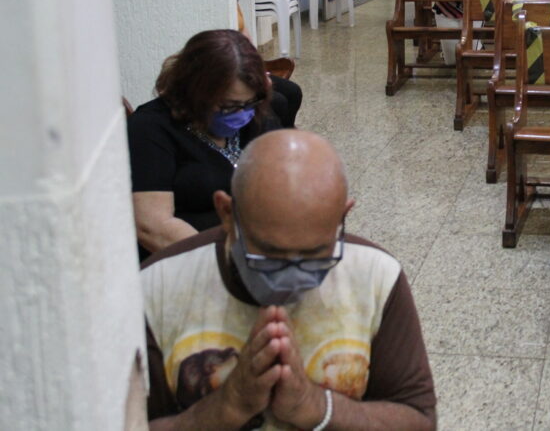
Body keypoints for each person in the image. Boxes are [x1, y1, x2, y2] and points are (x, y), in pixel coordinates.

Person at [142, 130, 436, 430]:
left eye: (315, 255)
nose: (291, 278)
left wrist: (318, 407)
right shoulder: (157, 287)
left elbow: (419, 420)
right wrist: (225, 409)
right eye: (269, 255)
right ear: (227, 213)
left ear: (342, 216)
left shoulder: (375, 276)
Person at [128, 30, 282, 256]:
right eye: (229, 106)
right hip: (188, 257)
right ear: (195, 92)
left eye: (249, 103)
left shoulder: (257, 116)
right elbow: (153, 226)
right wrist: (227, 262)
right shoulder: (150, 129)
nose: (241, 114)